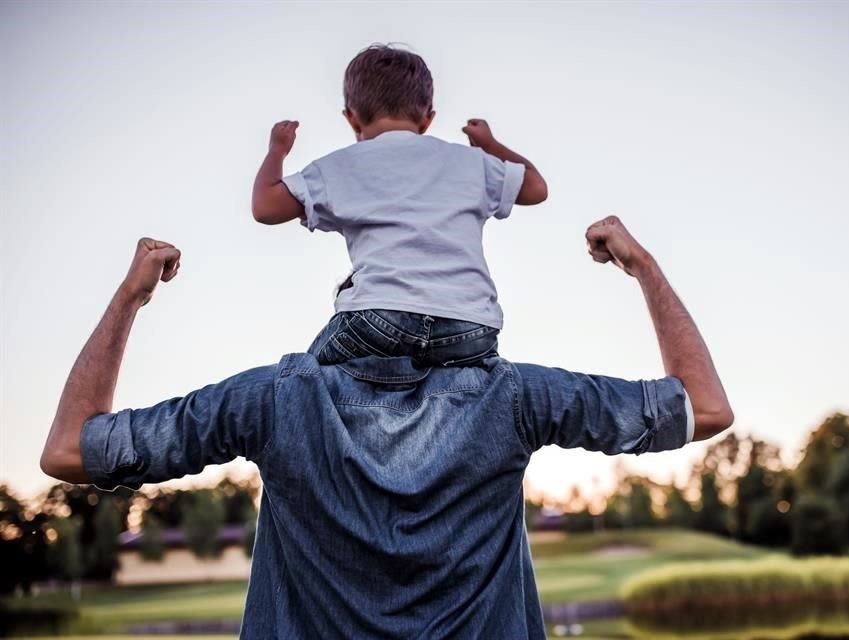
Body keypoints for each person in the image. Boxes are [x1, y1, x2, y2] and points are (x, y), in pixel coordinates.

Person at [40, 216, 733, 639]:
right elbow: (705, 408)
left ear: (345, 305)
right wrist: (641, 265)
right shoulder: (515, 397)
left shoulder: (273, 400)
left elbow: (71, 448)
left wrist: (132, 295)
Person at [250, 44, 548, 368]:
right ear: (428, 118)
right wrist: (489, 145)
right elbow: (536, 188)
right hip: (471, 327)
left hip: (380, 320)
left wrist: (277, 150)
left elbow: (265, 207)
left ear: (351, 118)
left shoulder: (340, 166)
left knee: (304, 379)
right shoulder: (470, 162)